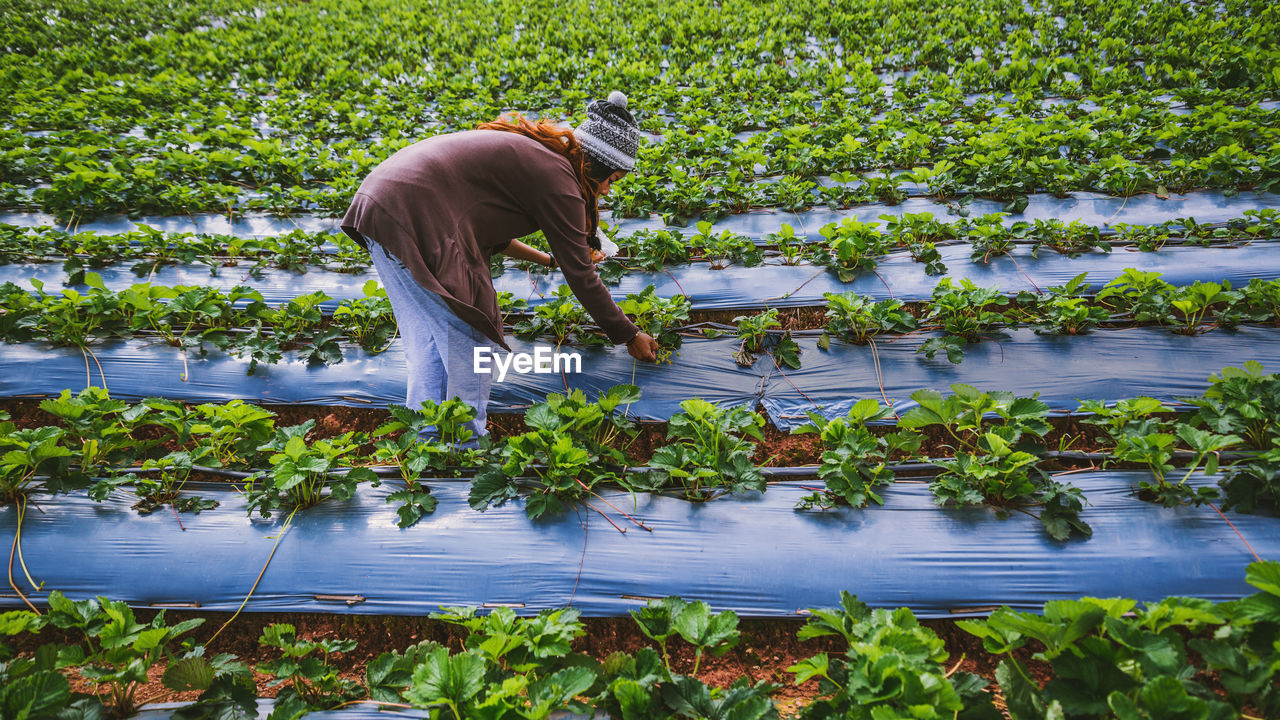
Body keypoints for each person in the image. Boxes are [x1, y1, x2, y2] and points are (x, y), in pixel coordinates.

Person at [340, 91, 660, 440]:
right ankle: (465, 443)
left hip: (381, 207)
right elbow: (582, 276)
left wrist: (548, 259)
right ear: (595, 165)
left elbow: (497, 236)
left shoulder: (543, 159)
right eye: (611, 180)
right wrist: (628, 334)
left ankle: (426, 440)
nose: (608, 191)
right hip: (410, 213)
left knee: (429, 340)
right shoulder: (560, 179)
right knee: (471, 337)